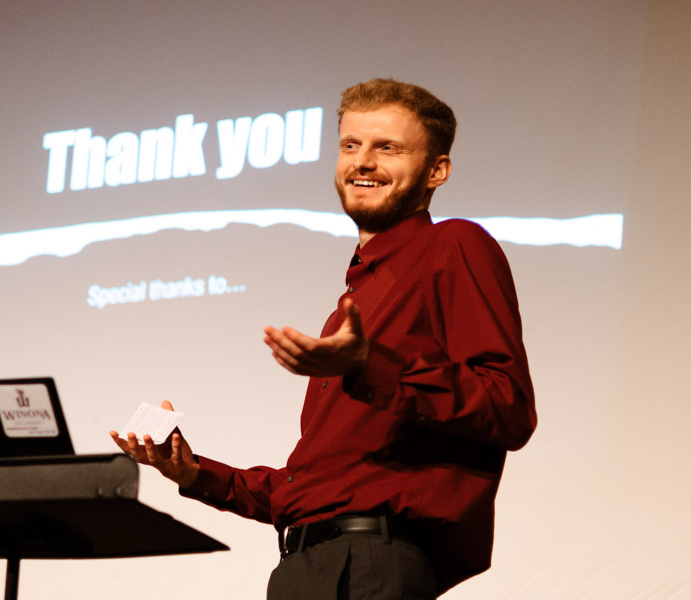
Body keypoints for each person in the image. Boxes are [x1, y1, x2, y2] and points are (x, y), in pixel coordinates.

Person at [110, 78, 537, 599]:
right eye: (350, 145)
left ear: (436, 170)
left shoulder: (454, 244)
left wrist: (368, 366)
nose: (362, 161)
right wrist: (197, 474)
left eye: (388, 148)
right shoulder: (351, 306)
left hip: (371, 563)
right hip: (305, 565)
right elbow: (311, 486)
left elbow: (508, 407)